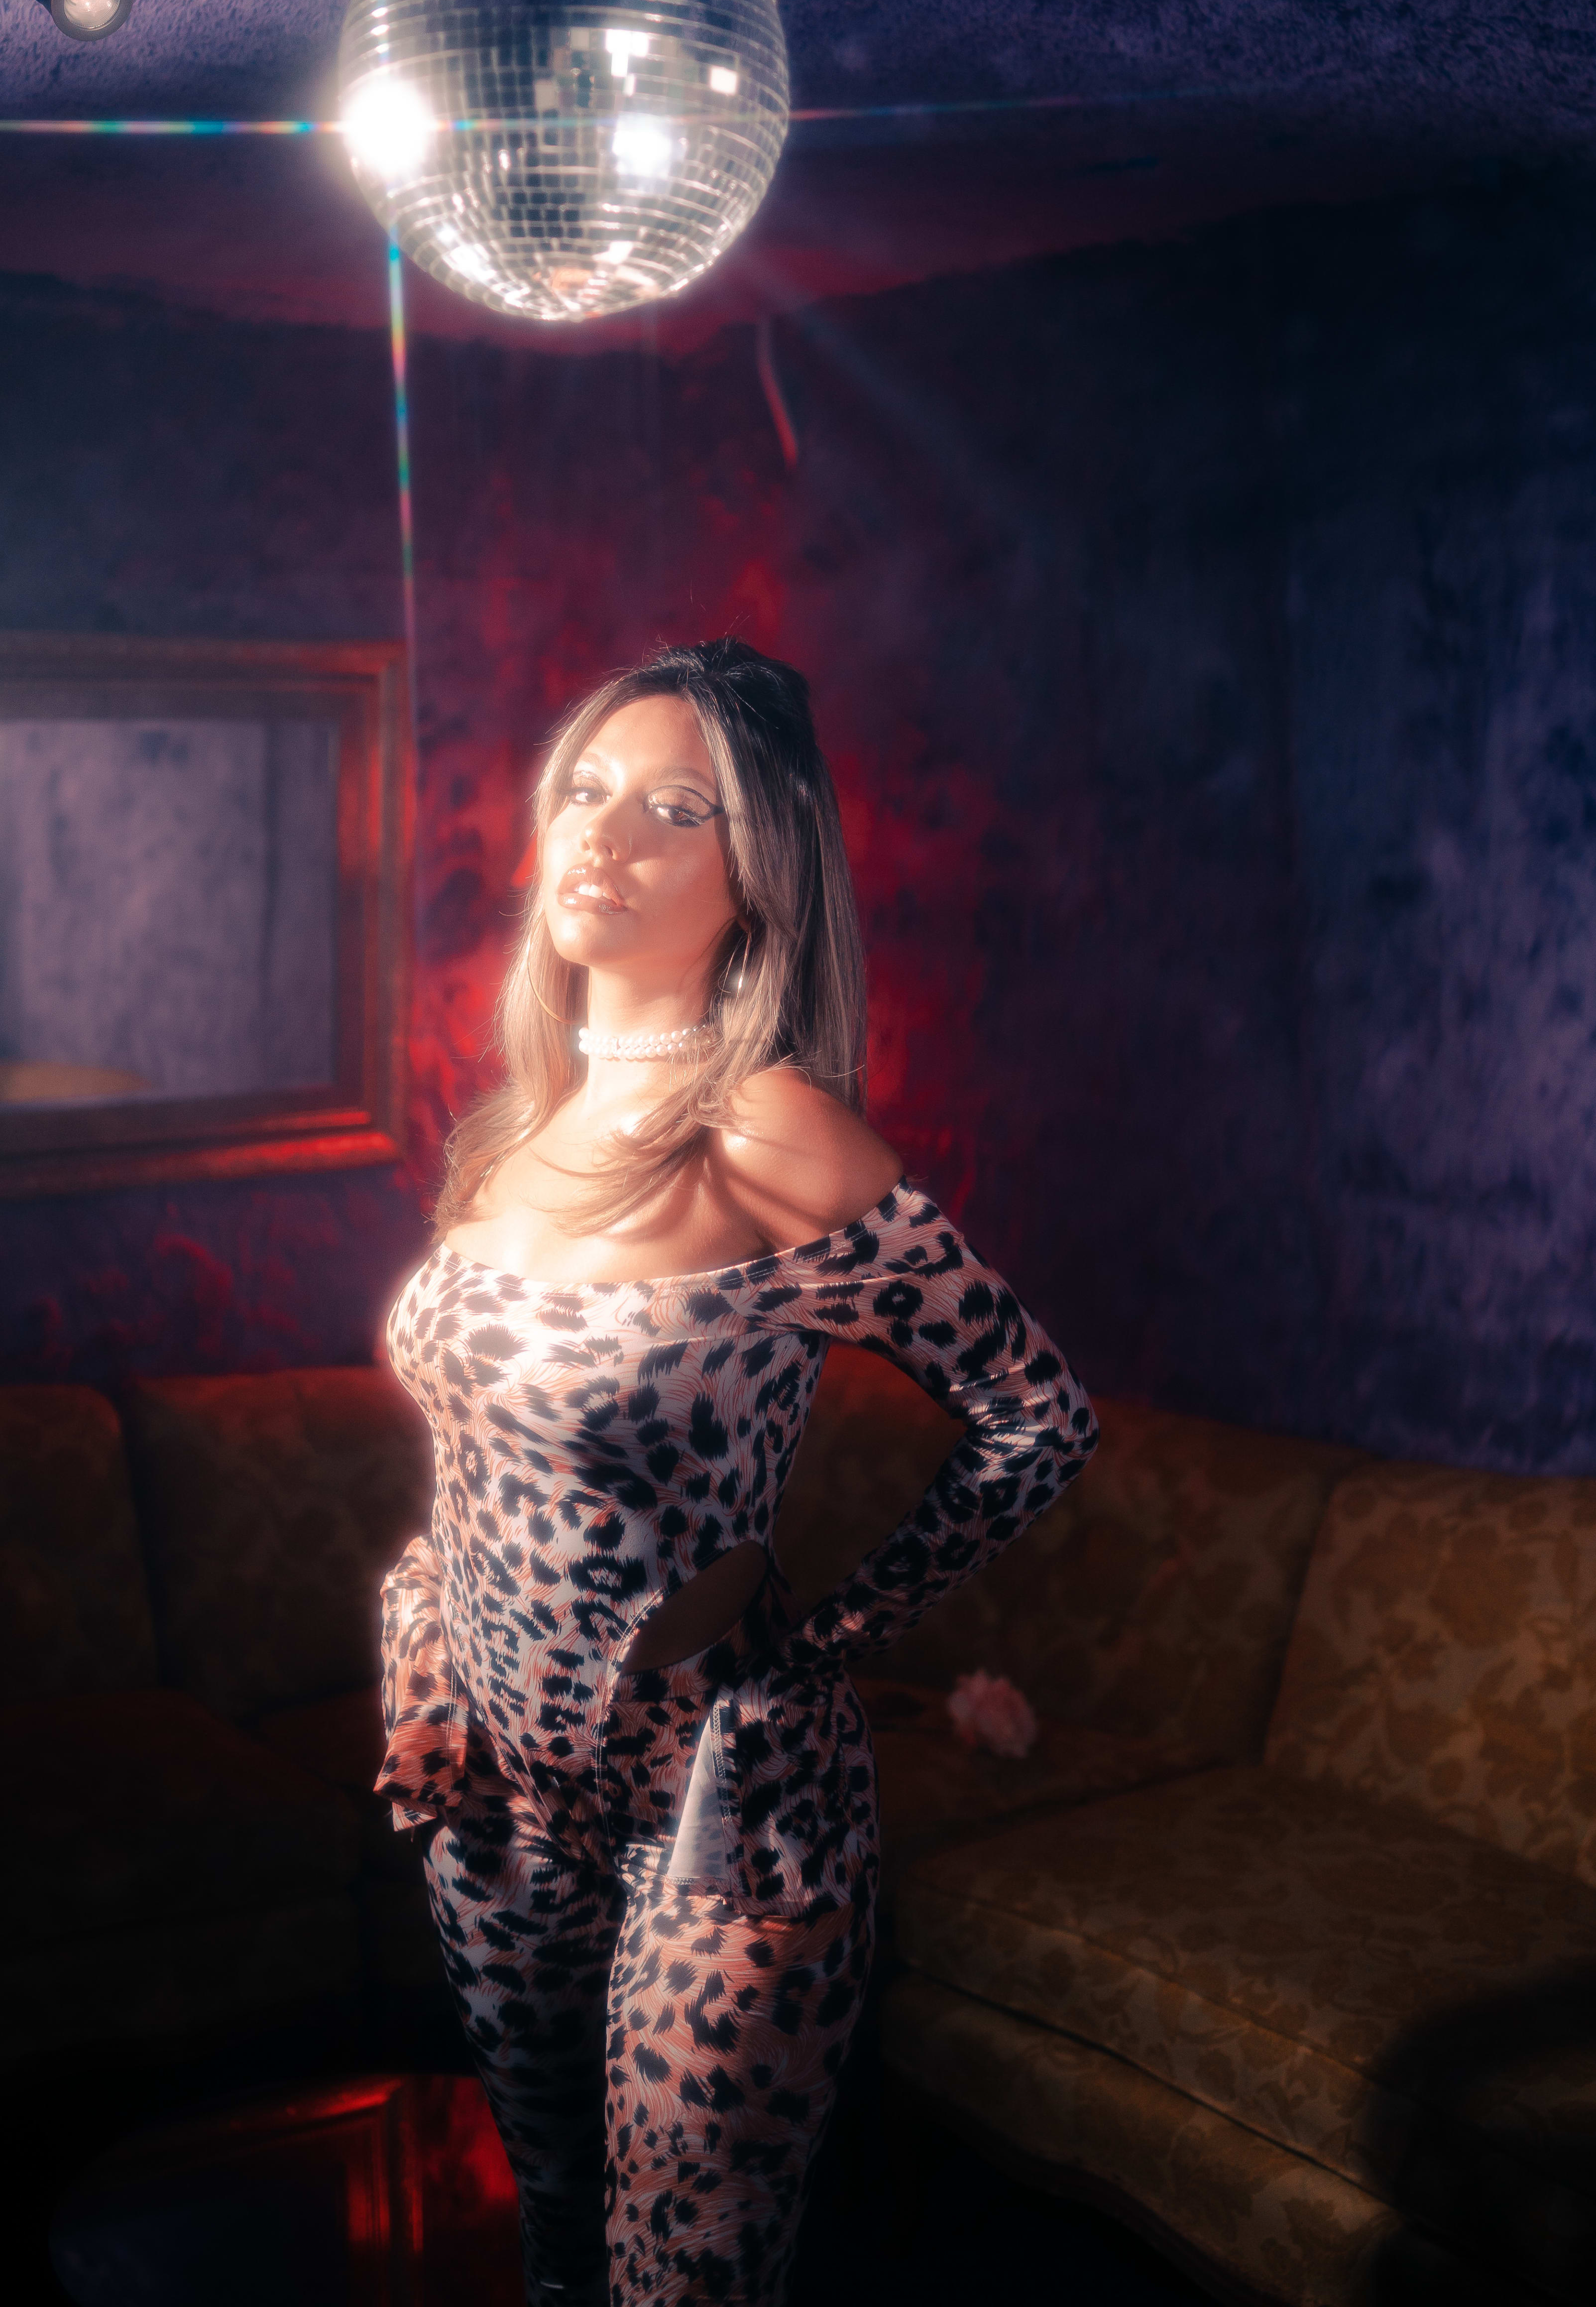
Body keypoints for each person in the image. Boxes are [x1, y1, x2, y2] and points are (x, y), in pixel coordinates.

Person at [376, 639, 1098, 2307]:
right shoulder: (510, 1134)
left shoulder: (771, 1133)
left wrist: (840, 1630)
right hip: (495, 1776)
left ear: (757, 871)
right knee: (552, 2223)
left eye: (673, 808)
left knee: (684, 2270)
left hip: (721, 1799)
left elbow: (1035, 1415)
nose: (602, 836)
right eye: (586, 789)